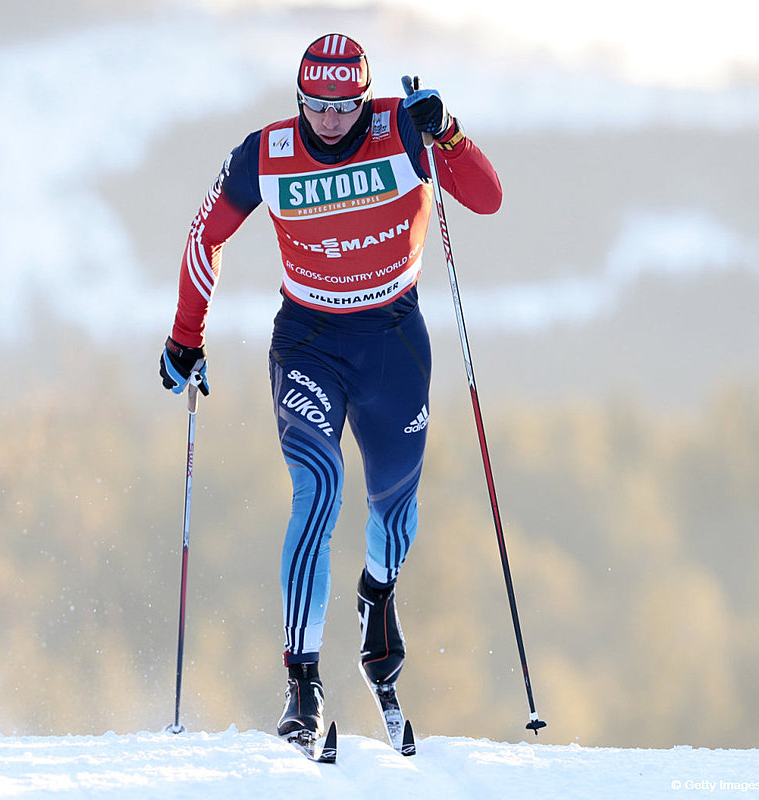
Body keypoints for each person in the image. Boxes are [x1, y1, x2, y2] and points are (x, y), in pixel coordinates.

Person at [159, 32, 502, 746]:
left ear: (363, 97)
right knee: (317, 488)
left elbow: (488, 200)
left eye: (344, 106)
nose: (330, 120)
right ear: (299, 99)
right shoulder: (267, 153)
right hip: (309, 344)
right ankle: (302, 682)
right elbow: (205, 236)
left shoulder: (405, 127)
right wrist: (185, 337)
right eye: (316, 105)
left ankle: (376, 592)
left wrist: (448, 133)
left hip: (394, 347)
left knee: (394, 508)